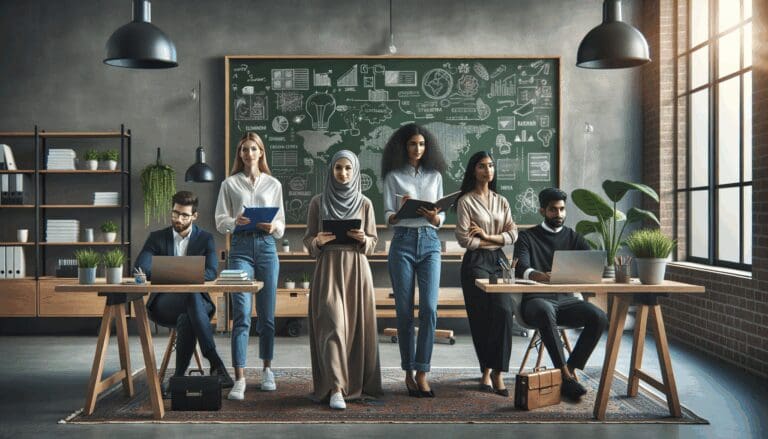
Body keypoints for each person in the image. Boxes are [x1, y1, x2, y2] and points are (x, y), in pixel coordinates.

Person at [303, 150, 382, 410]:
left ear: (355, 171)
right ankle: (336, 387)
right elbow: (308, 240)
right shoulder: (318, 202)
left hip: (357, 269)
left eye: (348, 168)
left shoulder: (365, 203)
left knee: (357, 331)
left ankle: (353, 383)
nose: (343, 173)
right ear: (331, 170)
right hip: (327, 267)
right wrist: (317, 241)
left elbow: (373, 242)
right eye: (338, 168)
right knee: (332, 324)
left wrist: (364, 239)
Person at [513, 187, 609, 400]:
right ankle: (566, 377)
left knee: (599, 317)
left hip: (566, 301)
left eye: (562, 209)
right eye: (553, 210)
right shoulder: (527, 237)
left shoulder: (574, 237)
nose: (559, 214)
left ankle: (567, 373)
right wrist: (540, 276)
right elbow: (521, 267)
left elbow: (591, 264)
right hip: (535, 301)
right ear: (542, 211)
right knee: (545, 311)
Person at [135, 191, 233, 391]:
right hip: (164, 303)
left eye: (184, 215)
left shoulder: (205, 239)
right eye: (175, 213)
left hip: (199, 305)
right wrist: (186, 274)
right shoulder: (157, 238)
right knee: (190, 297)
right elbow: (140, 267)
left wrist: (166, 272)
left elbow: (211, 272)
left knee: (188, 313)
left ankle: (178, 379)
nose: (178, 219)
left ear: (194, 216)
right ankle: (214, 361)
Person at [215, 132, 285, 400]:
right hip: (241, 248)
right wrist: (235, 222)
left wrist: (273, 226)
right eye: (244, 149)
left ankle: (267, 369)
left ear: (261, 152)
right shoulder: (229, 184)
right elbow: (220, 220)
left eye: (253, 149)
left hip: (267, 247)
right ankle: (240, 378)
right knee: (242, 314)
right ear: (240, 154)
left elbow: (281, 224)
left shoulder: (273, 184)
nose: (248, 153)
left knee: (267, 315)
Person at [381, 124, 446, 397]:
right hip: (403, 242)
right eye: (412, 144)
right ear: (403, 146)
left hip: (430, 242)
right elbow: (388, 215)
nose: (417, 149)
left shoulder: (435, 175)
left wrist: (435, 217)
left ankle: (422, 371)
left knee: (429, 309)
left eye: (421, 144)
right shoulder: (393, 176)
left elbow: (441, 215)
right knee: (404, 312)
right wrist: (399, 212)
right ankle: (408, 371)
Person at [455, 151, 518, 397]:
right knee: (481, 317)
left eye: (491, 166)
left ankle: (498, 372)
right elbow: (464, 239)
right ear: (474, 170)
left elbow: (513, 234)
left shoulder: (501, 201)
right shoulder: (465, 201)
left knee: (504, 311)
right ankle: (486, 371)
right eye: (482, 166)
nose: (488, 170)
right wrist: (491, 240)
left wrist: (486, 236)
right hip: (476, 261)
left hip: (499, 260)